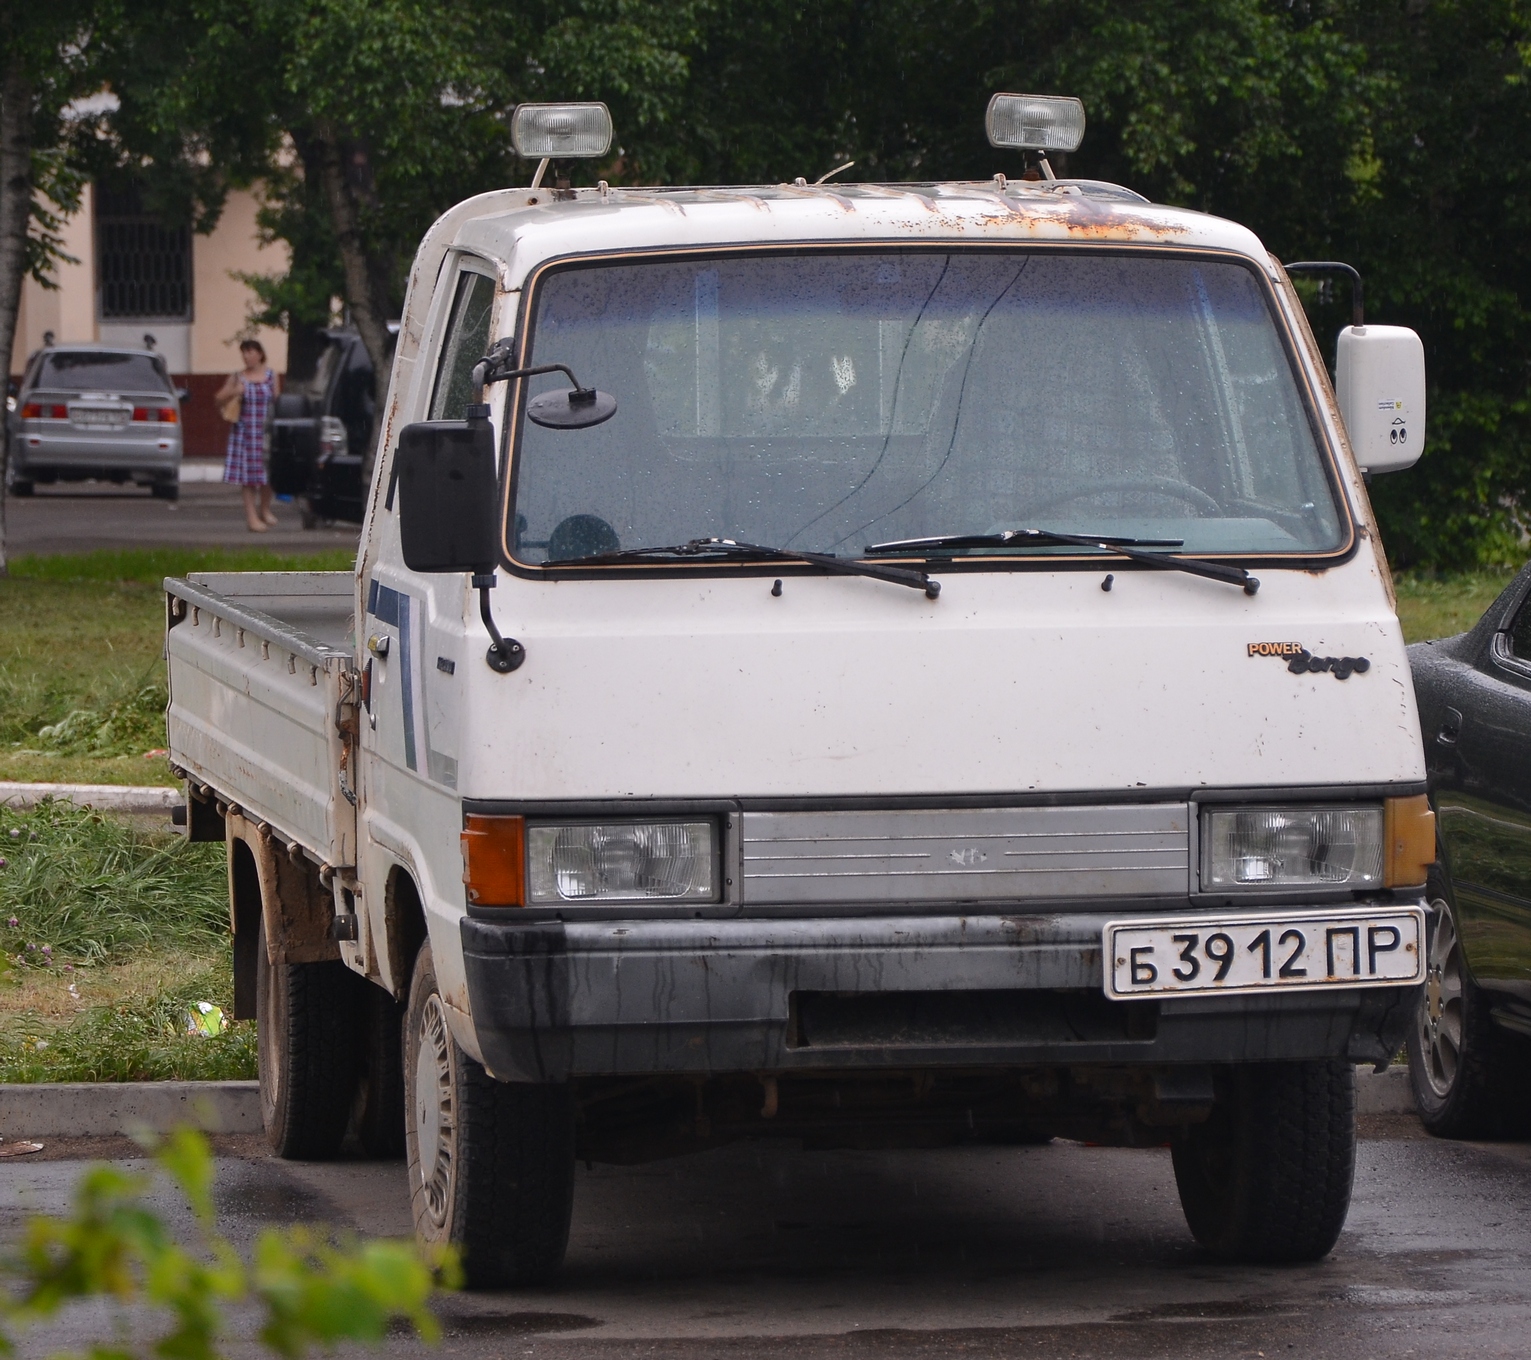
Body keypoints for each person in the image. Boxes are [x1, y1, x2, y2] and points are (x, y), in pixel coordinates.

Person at [217, 339, 279, 531]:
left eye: (250, 352)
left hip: (266, 432)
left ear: (260, 354)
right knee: (248, 478)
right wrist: (235, 391)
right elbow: (218, 398)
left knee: (269, 474)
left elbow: (277, 401)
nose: (246, 356)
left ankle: (265, 509)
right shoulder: (238, 377)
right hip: (245, 433)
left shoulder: (271, 375)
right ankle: (251, 518)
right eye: (244, 352)